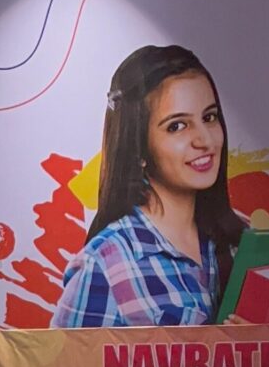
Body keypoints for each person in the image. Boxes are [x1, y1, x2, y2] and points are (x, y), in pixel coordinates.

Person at [52, 44, 245, 328]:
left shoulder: (239, 243)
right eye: (177, 126)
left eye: (209, 117)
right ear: (138, 147)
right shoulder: (105, 265)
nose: (205, 140)